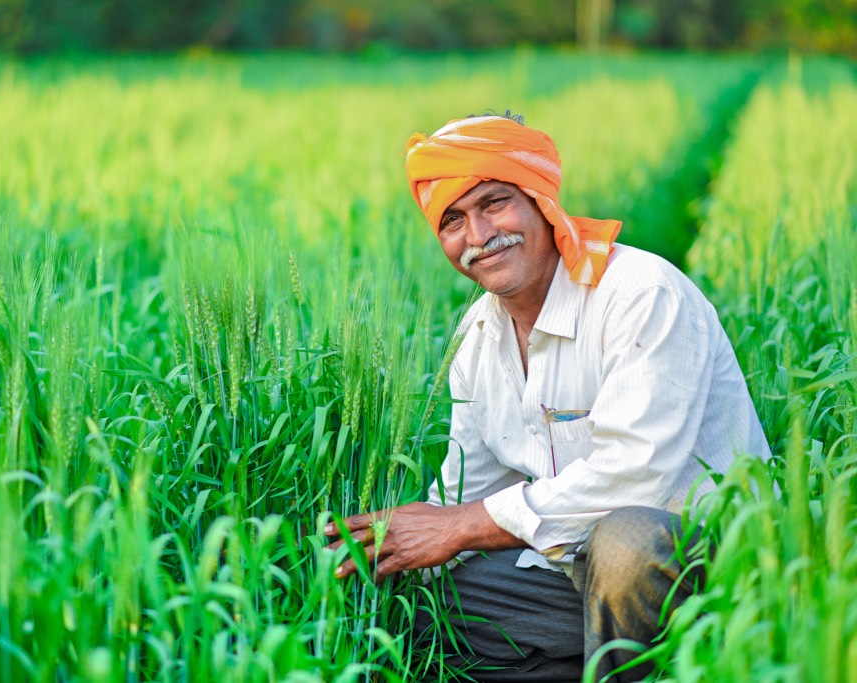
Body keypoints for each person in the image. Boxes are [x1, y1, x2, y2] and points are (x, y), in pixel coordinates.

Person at [324, 113, 771, 682]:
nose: (479, 236)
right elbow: (472, 489)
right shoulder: (477, 340)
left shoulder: (638, 294)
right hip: (572, 574)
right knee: (421, 606)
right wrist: (395, 546)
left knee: (626, 540)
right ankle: (594, 663)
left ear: (541, 200)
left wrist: (457, 526)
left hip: (703, 570)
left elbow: (637, 478)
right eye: (453, 221)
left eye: (494, 203)